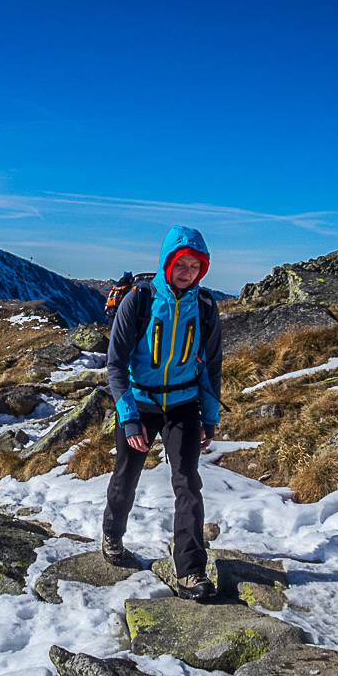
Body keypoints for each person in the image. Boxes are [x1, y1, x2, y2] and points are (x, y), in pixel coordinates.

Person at [104, 225, 222, 599]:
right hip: (140, 402)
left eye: (194, 265)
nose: (187, 271)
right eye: (181, 263)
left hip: (185, 405)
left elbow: (211, 366)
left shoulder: (204, 307)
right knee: (127, 476)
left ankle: (190, 571)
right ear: (166, 262)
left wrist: (210, 417)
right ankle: (112, 533)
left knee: (188, 482)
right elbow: (115, 367)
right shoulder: (138, 301)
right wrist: (129, 416)